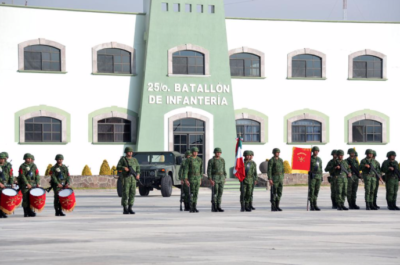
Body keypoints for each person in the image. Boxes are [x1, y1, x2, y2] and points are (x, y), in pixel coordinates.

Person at [117, 147, 140, 215]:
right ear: (126, 152)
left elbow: (138, 167)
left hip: (133, 179)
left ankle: (130, 208)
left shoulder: (134, 160)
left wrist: (138, 174)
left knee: (132, 193)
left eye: (131, 152)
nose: (130, 153)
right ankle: (125, 208)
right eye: (129, 152)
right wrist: (124, 168)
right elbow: (118, 167)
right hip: (126, 178)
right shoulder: (123, 159)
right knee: (125, 193)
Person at [18, 153, 40, 217]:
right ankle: (26, 212)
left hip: (33, 184)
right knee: (25, 199)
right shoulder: (22, 166)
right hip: (25, 185)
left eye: (30, 158)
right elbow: (22, 176)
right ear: (25, 159)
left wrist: (37, 182)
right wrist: (27, 183)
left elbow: (37, 174)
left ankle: (30, 211)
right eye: (28, 158)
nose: (29, 159)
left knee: (32, 198)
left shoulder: (34, 165)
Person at [183, 147, 203, 213]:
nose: (195, 153)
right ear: (192, 152)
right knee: (191, 193)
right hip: (191, 177)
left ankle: (195, 206)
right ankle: (191, 207)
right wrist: (186, 179)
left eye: (196, 152)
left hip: (197, 178)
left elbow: (201, 170)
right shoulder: (188, 160)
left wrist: (200, 179)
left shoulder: (199, 159)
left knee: (196, 193)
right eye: (194, 152)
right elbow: (186, 170)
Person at [207, 148, 227, 212]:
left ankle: (219, 206)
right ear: (215, 153)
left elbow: (224, 169)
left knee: (220, 192)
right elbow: (209, 170)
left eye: (219, 152)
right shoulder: (211, 160)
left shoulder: (222, 160)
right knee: (215, 192)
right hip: (215, 177)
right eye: (217, 152)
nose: (218, 153)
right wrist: (210, 179)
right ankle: (214, 206)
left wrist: (225, 177)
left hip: (221, 177)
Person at [308, 146, 323, 211]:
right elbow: (307, 167)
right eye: (315, 151)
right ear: (313, 151)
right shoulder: (309, 159)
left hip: (318, 176)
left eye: (317, 151)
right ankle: (311, 205)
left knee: (316, 191)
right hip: (312, 176)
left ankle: (315, 204)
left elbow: (321, 168)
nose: (316, 152)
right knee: (312, 191)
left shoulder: (319, 159)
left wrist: (321, 176)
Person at [0, 153, 13, 218]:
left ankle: (3, 212)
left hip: (6, 184)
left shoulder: (8, 165)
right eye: (0, 159)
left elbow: (10, 175)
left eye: (2, 159)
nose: (1, 160)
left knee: (5, 199)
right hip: (0, 184)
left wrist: (11, 183)